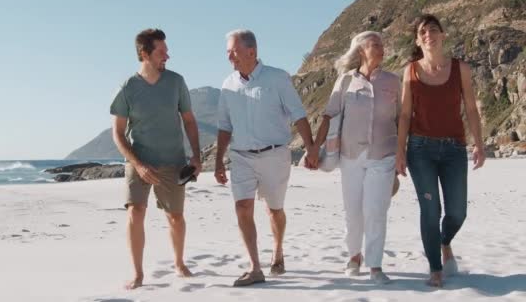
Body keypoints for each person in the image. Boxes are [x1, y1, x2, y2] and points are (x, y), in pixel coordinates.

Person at [215, 29, 318, 287]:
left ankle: (278, 249)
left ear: (252, 51)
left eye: (234, 51)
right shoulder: (228, 85)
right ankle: (255, 267)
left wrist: (311, 147)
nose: (230, 57)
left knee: (274, 210)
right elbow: (225, 126)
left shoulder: (277, 78)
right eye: (228, 52)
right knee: (242, 207)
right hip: (241, 157)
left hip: (275, 154)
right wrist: (218, 160)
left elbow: (298, 115)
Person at [396, 14, 485, 287]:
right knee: (430, 210)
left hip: (454, 148)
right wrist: (400, 151)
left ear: (443, 35)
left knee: (457, 211)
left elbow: (470, 108)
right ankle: (435, 268)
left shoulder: (461, 69)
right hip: (420, 150)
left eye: (433, 29)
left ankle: (445, 241)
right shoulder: (410, 71)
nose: (428, 34)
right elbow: (405, 114)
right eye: (423, 31)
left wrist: (480, 143)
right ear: (417, 39)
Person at [110, 28, 202, 290]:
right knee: (136, 213)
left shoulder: (176, 82)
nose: (167, 56)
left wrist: (196, 156)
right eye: (161, 51)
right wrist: (137, 164)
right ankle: (138, 273)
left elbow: (189, 120)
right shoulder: (127, 88)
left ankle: (179, 262)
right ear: (144, 54)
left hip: (173, 161)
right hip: (138, 162)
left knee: (175, 217)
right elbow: (117, 133)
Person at [313, 31, 400, 285]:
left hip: (383, 154)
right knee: (353, 212)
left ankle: (375, 265)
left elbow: (403, 118)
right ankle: (354, 256)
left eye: (383, 44)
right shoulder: (345, 81)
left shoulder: (393, 81)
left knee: (376, 210)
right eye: (376, 45)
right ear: (361, 50)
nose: (381, 48)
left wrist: (403, 153)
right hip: (351, 154)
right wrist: (313, 149)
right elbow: (329, 116)